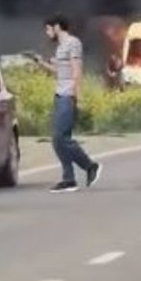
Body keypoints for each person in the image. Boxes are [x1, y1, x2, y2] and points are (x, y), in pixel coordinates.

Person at [40, 14, 102, 193]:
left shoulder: (73, 43)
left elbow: (76, 70)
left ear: (57, 27)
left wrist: (77, 96)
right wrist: (42, 64)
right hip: (60, 94)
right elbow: (61, 72)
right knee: (58, 140)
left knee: (61, 138)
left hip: (68, 96)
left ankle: (89, 166)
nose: (47, 33)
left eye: (48, 29)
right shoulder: (60, 47)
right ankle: (69, 178)